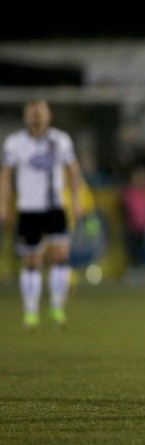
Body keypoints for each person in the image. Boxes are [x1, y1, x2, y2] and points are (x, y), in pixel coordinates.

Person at [0, 99, 84, 329]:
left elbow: (73, 172)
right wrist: (3, 204)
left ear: (49, 115)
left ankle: (57, 308)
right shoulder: (15, 143)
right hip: (29, 208)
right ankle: (30, 311)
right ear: (26, 116)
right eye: (32, 112)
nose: (36, 116)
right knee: (31, 261)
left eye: (40, 112)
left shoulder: (60, 140)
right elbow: (6, 175)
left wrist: (77, 201)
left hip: (55, 207)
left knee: (60, 257)